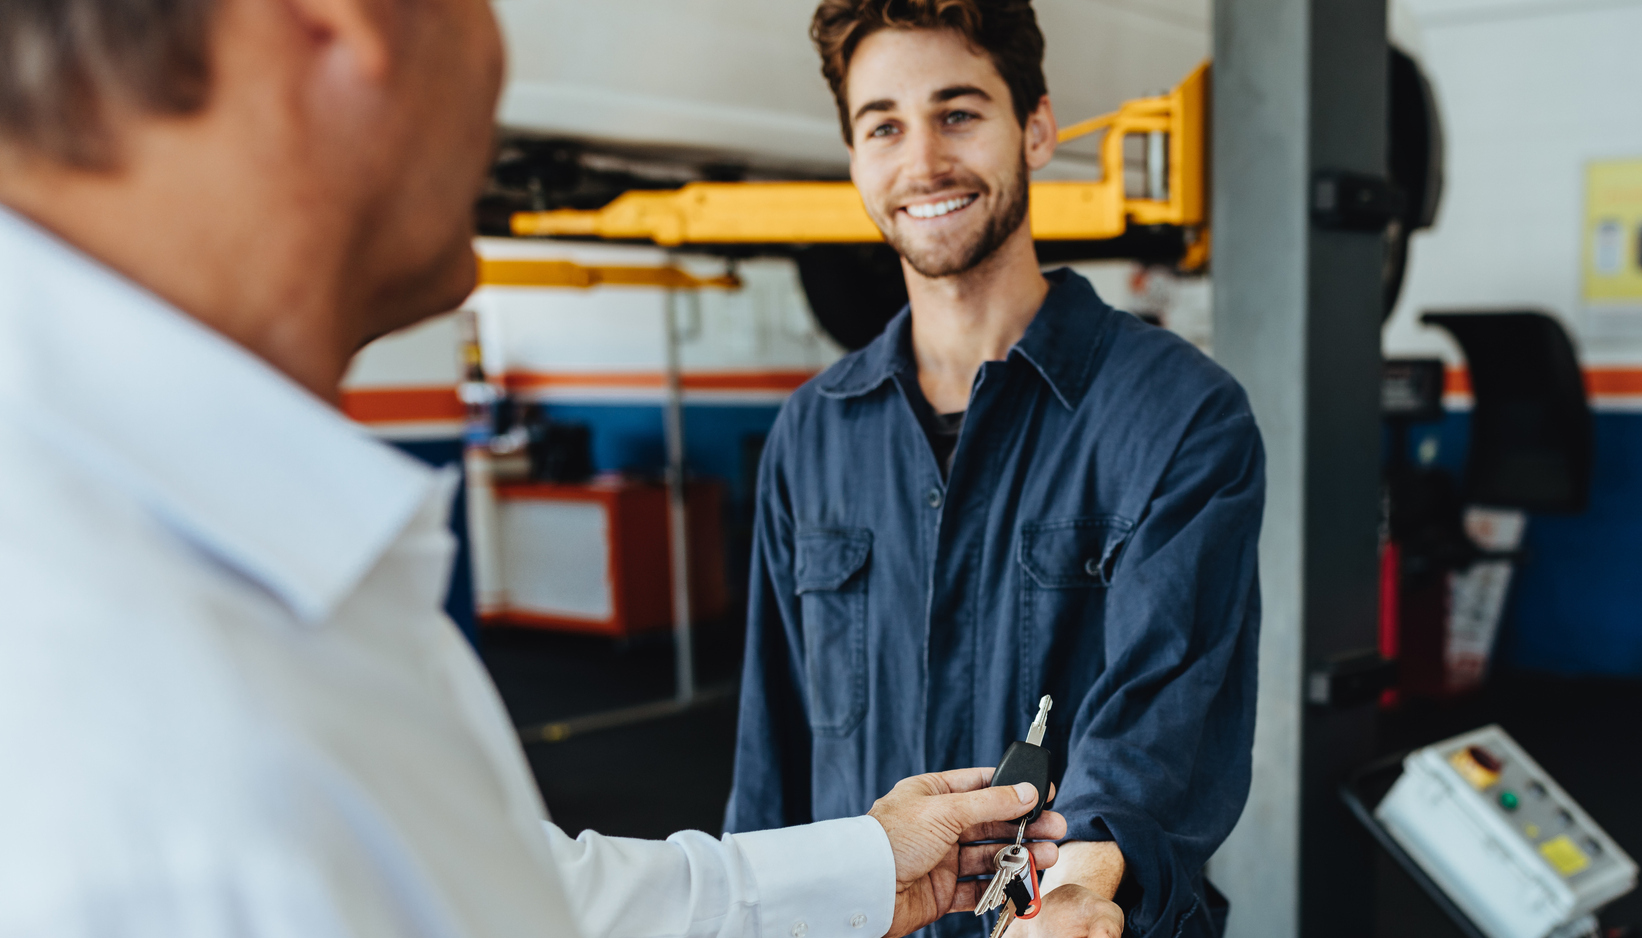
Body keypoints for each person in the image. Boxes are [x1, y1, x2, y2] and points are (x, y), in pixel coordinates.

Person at [0, 1, 1063, 937]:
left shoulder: (179, 563)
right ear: (345, 17)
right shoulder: (148, 728)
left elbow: (522, 898)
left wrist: (867, 863)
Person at [724, 3, 1265, 938]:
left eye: (959, 112)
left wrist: (1077, 892)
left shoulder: (1180, 414)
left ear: (1037, 129)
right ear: (854, 157)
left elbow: (1161, 714)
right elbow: (771, 753)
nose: (922, 160)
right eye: (883, 125)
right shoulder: (812, 431)